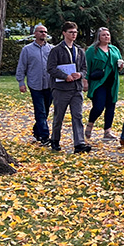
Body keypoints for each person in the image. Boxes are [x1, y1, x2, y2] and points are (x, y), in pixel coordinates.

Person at [46, 21, 91, 153]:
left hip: (76, 88)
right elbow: (50, 68)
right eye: (71, 32)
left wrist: (80, 74)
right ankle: (55, 140)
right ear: (64, 33)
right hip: (61, 88)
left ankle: (79, 143)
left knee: (77, 115)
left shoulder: (79, 50)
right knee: (59, 116)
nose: (74, 35)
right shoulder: (56, 50)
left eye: (75, 32)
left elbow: (84, 68)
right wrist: (64, 75)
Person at [15, 24, 52, 145]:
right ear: (35, 33)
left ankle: (37, 131)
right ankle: (45, 136)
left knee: (45, 110)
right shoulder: (27, 49)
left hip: (49, 84)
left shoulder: (51, 49)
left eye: (45, 32)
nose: (43, 34)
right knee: (40, 110)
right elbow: (22, 66)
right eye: (41, 31)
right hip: (35, 84)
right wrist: (21, 82)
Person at [85, 27, 124, 141]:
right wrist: (85, 80)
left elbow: (120, 64)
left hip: (112, 82)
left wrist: (121, 67)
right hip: (99, 82)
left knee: (111, 106)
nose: (106, 37)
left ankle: (108, 131)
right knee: (98, 106)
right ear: (99, 37)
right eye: (103, 35)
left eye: (108, 35)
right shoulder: (92, 50)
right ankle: (90, 125)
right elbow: (86, 66)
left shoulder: (114, 49)